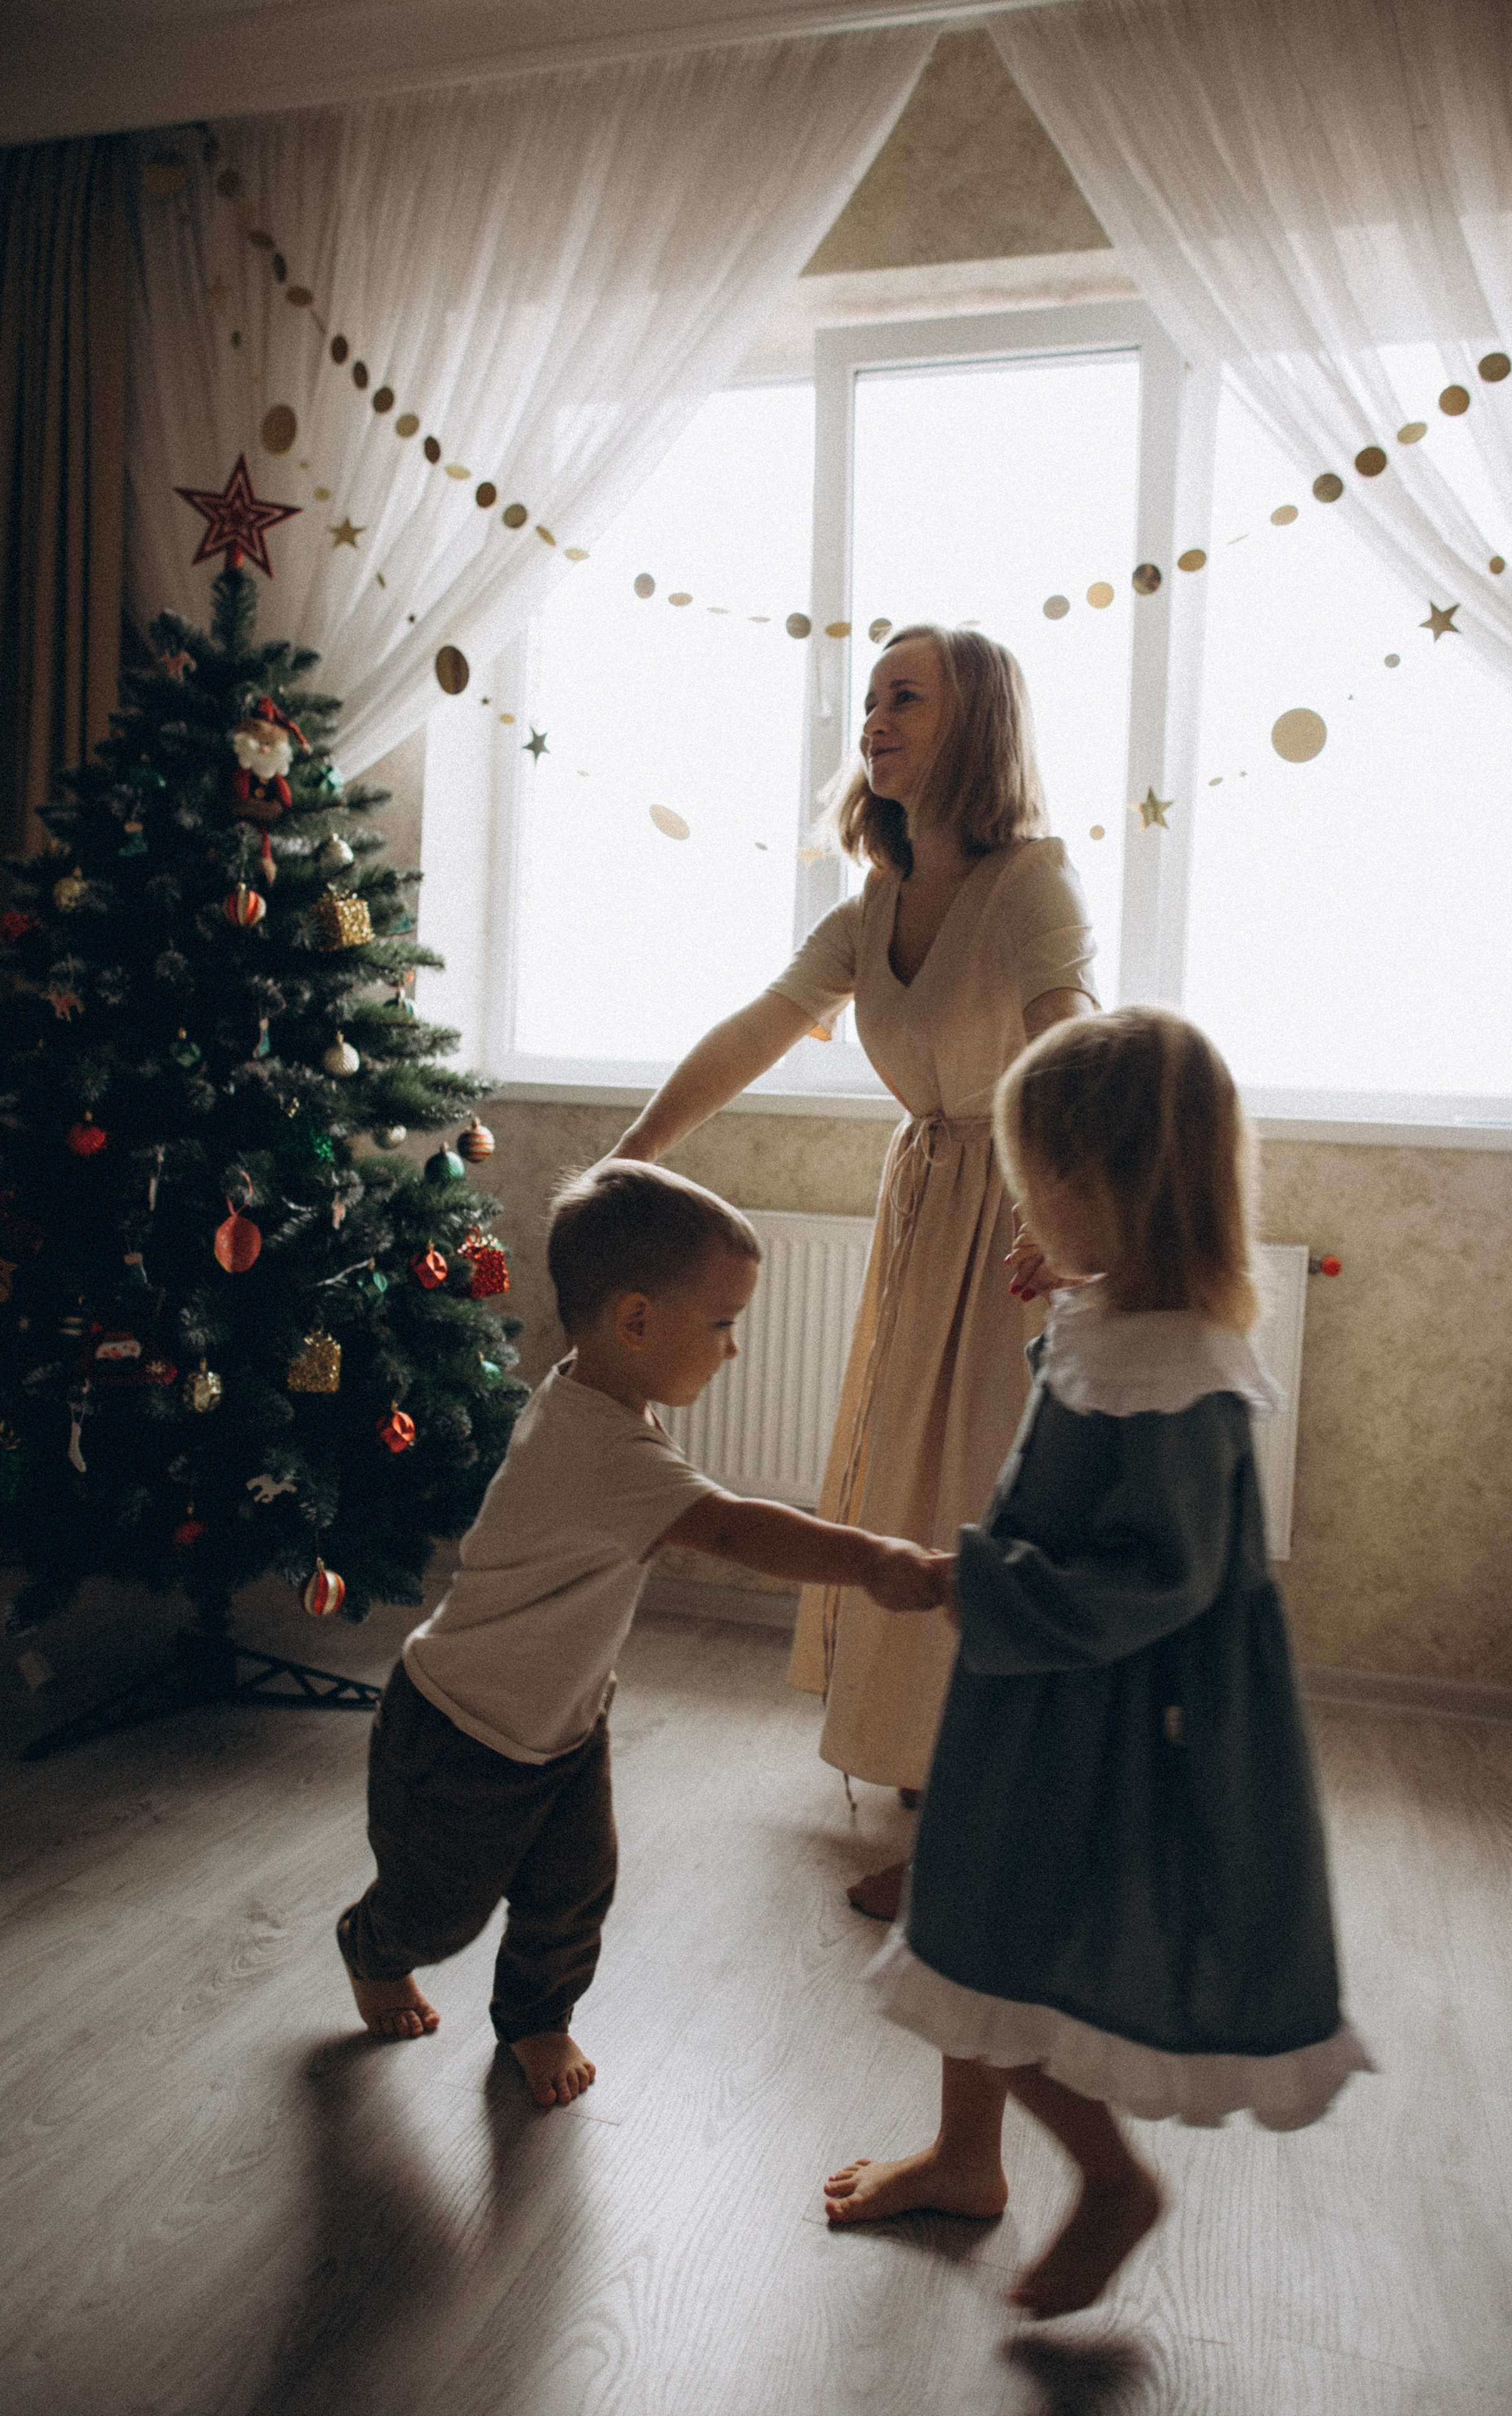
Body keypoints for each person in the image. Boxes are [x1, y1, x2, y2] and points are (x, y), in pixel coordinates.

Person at [824, 1008, 1374, 2315]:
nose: (1022, 1215)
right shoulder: (1125, 1312)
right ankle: (968, 2163)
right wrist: (1064, 1272)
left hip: (1110, 1723)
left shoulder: (1179, 1372)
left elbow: (1163, 1578)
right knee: (967, 1924)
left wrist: (984, 1586)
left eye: (1036, 1191)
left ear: (1107, 1191)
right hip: (1039, 1698)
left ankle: (1106, 2178)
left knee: (993, 1944)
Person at [610, 625, 1098, 1918]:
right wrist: (629, 1158)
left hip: (1014, 1219)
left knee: (983, 1500)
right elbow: (754, 1030)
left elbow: (1069, 1034)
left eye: (905, 698)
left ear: (974, 723)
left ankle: (999, 1815)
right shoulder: (871, 903)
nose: (874, 718)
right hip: (929, 1201)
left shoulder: (1033, 881)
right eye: (869, 698)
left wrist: (1064, 1201)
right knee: (910, 1482)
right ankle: (942, 1769)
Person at [336, 1162, 950, 2107]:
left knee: (575, 1890)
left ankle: (538, 2018)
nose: (732, 1349)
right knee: (438, 1908)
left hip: (565, 1724)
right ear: (633, 1322)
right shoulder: (597, 1446)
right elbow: (740, 1528)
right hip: (461, 1730)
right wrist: (873, 1562)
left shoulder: (601, 1393)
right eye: (722, 1324)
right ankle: (374, 1947)